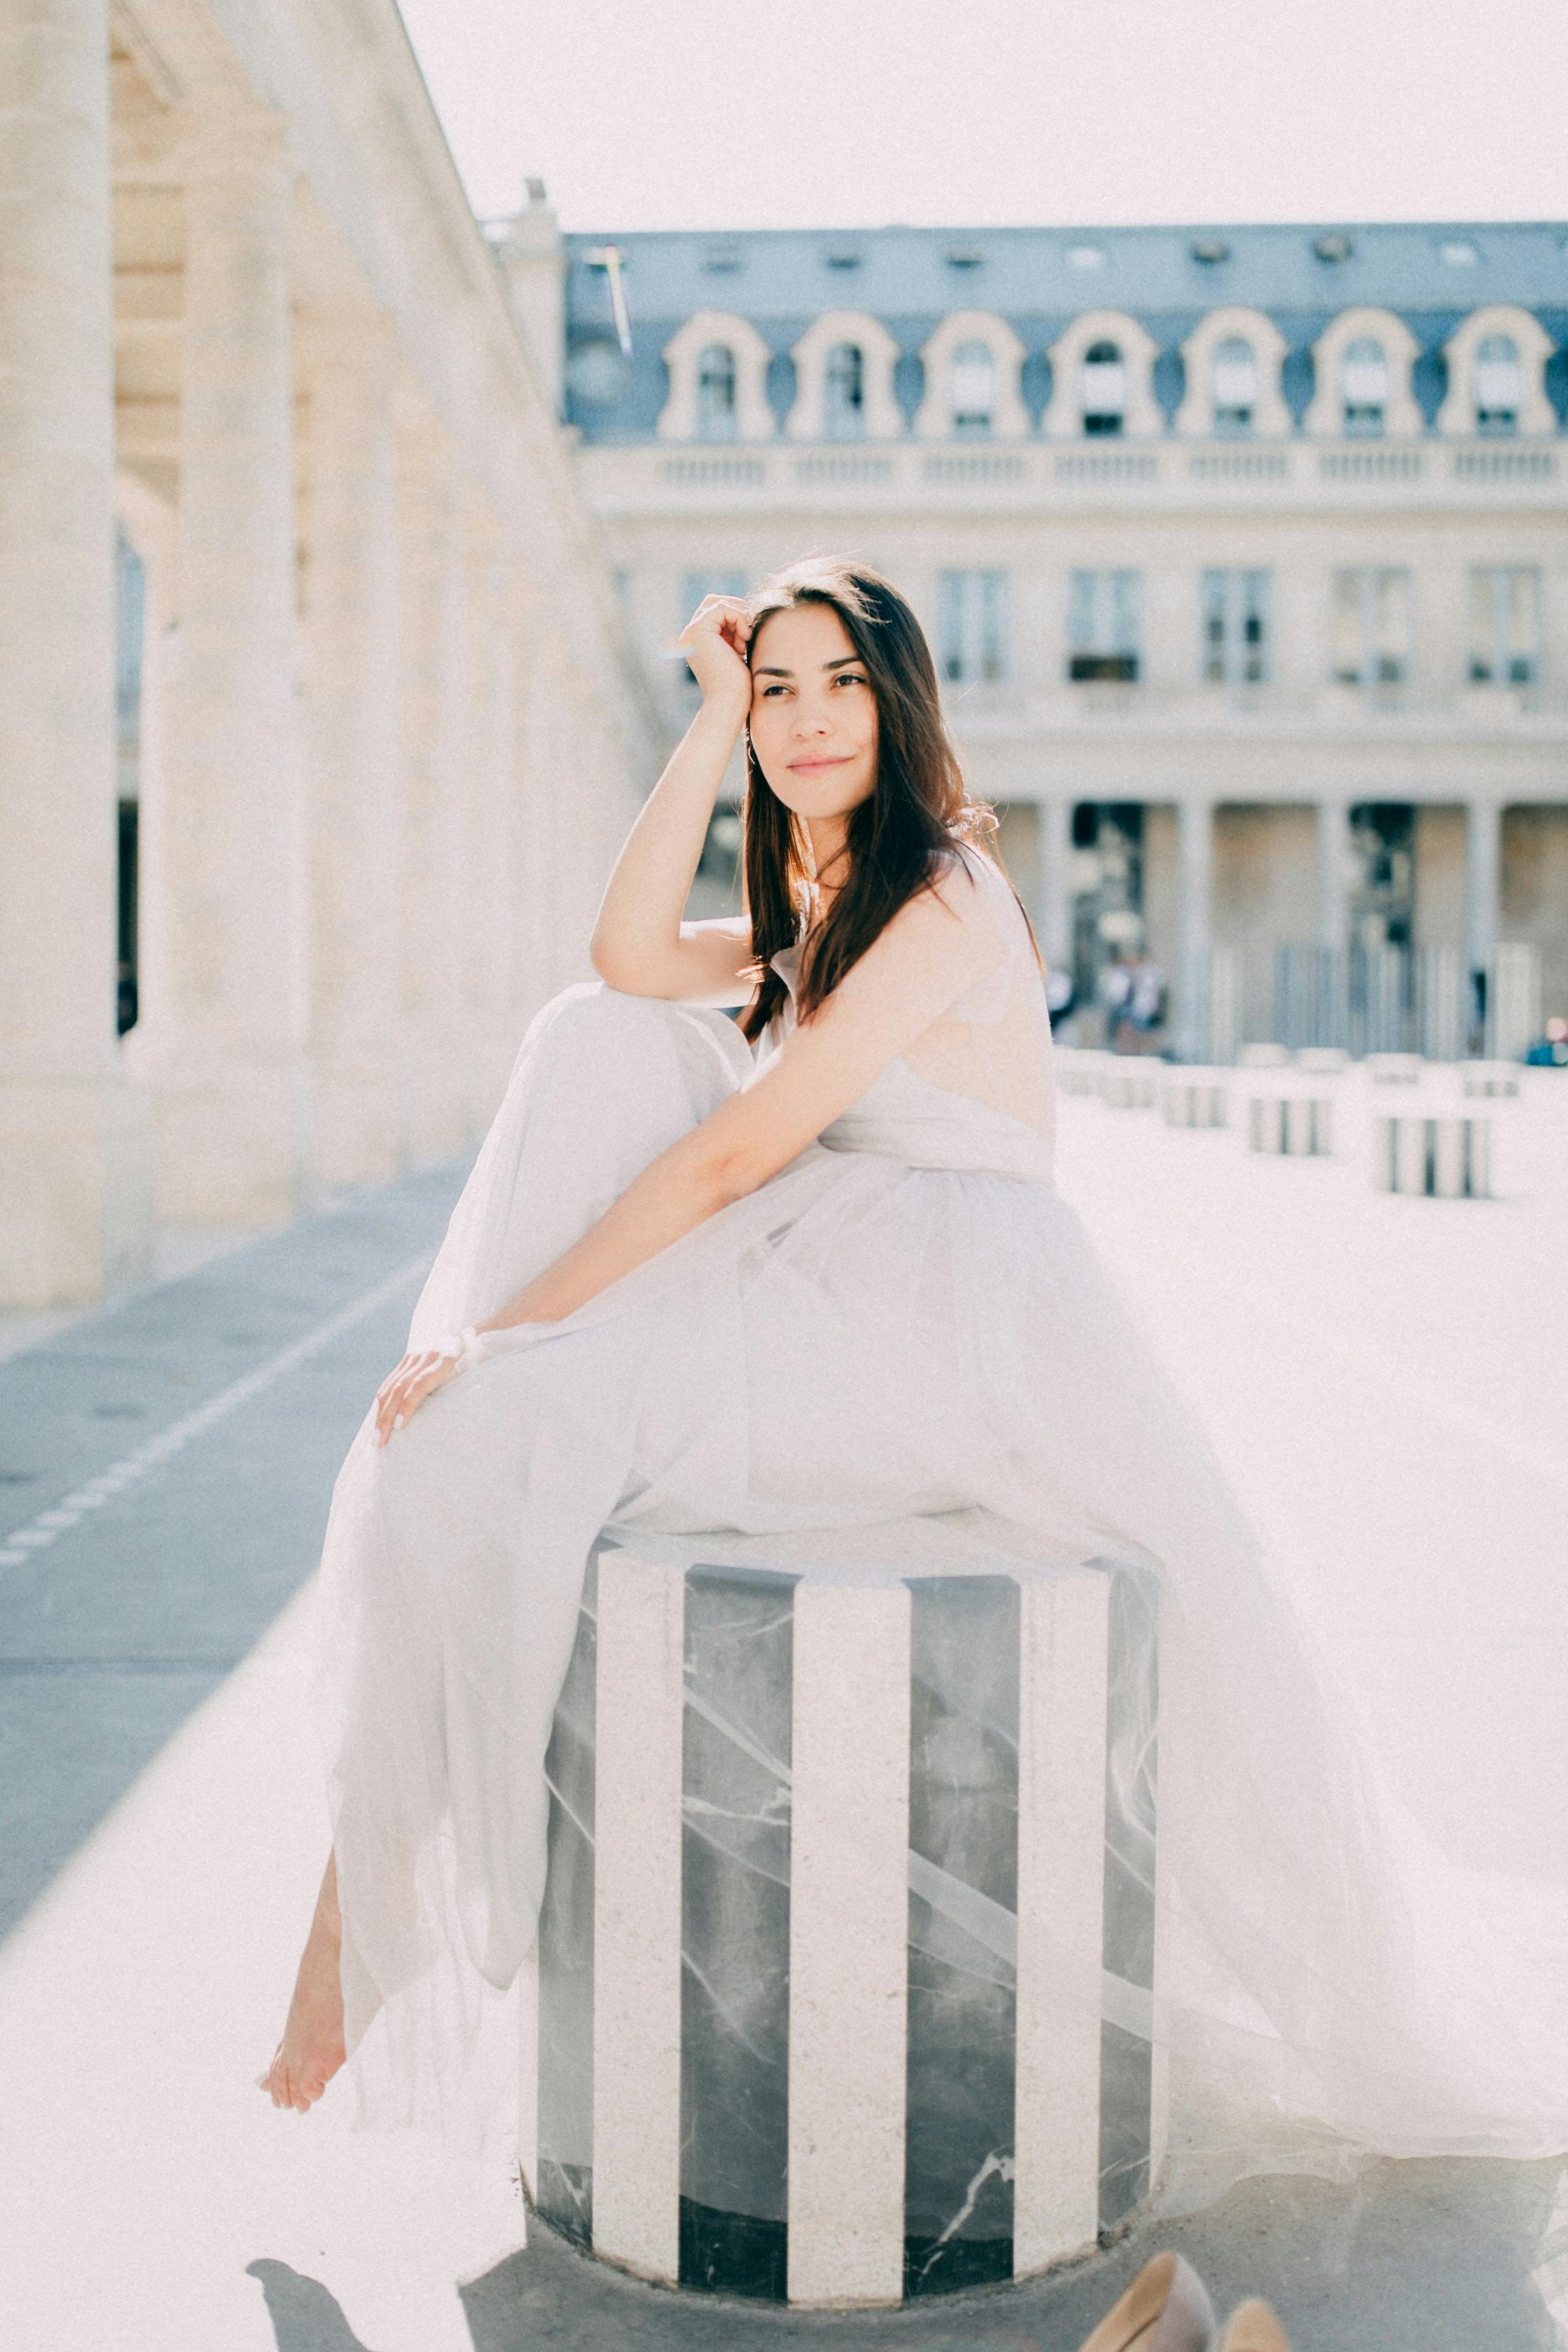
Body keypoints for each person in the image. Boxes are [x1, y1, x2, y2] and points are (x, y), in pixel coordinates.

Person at [260, 559, 1567, 2225]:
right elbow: (619, 951)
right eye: (778, 690)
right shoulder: (824, 900)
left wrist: (509, 1336)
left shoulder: (943, 889)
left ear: (899, 703)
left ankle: (376, 1904)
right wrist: (704, 726)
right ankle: (370, 1888)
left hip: (948, 1322)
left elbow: (739, 1151)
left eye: (836, 686)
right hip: (842, 1280)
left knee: (479, 1434)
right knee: (588, 1038)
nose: (805, 721)